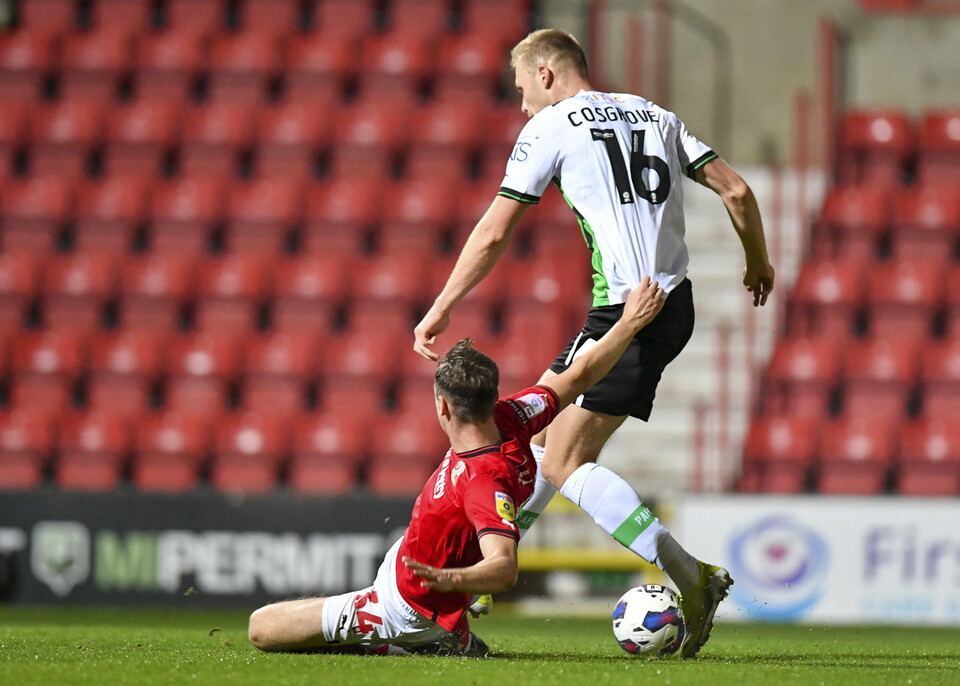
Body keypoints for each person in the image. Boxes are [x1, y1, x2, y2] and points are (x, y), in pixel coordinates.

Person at [413, 29, 775, 658]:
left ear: (548, 74)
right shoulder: (655, 114)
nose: (523, 106)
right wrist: (757, 262)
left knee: (560, 461)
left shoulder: (551, 127)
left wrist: (443, 304)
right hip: (669, 303)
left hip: (628, 312)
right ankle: (485, 579)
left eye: (524, 89)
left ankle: (693, 579)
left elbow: (496, 230)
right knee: (543, 429)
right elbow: (737, 192)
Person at [248, 278, 666, 656]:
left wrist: (449, 581)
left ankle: (402, 644)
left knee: (261, 629)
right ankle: (452, 637)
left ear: (443, 405)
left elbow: (503, 567)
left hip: (405, 606)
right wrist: (629, 323)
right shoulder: (514, 415)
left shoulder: (484, 482)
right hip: (414, 570)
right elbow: (579, 375)